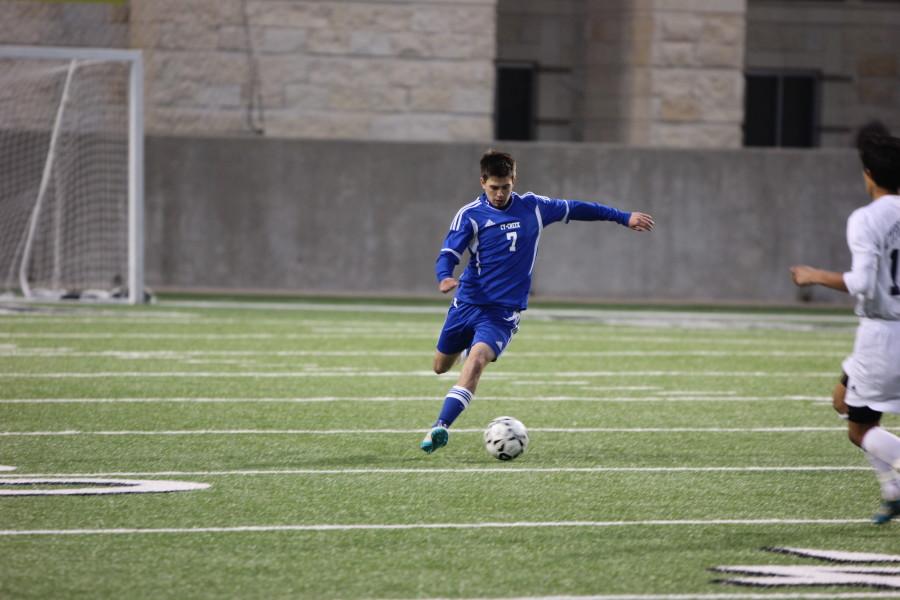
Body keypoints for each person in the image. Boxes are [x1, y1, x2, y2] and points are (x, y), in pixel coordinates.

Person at [420, 149, 655, 454]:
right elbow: (449, 252)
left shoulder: (533, 207)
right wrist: (444, 276)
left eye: (506, 186)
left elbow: (578, 208)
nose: (501, 193)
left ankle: (441, 426)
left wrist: (623, 217)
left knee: (476, 361)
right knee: (440, 367)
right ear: (482, 182)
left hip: (503, 312)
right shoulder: (470, 215)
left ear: (513, 180)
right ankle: (467, 352)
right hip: (466, 304)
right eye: (494, 187)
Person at [791, 121, 900, 524]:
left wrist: (814, 275)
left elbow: (863, 283)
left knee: (860, 430)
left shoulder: (867, 218)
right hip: (885, 333)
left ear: (869, 175)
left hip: (883, 334)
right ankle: (892, 488)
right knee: (842, 401)